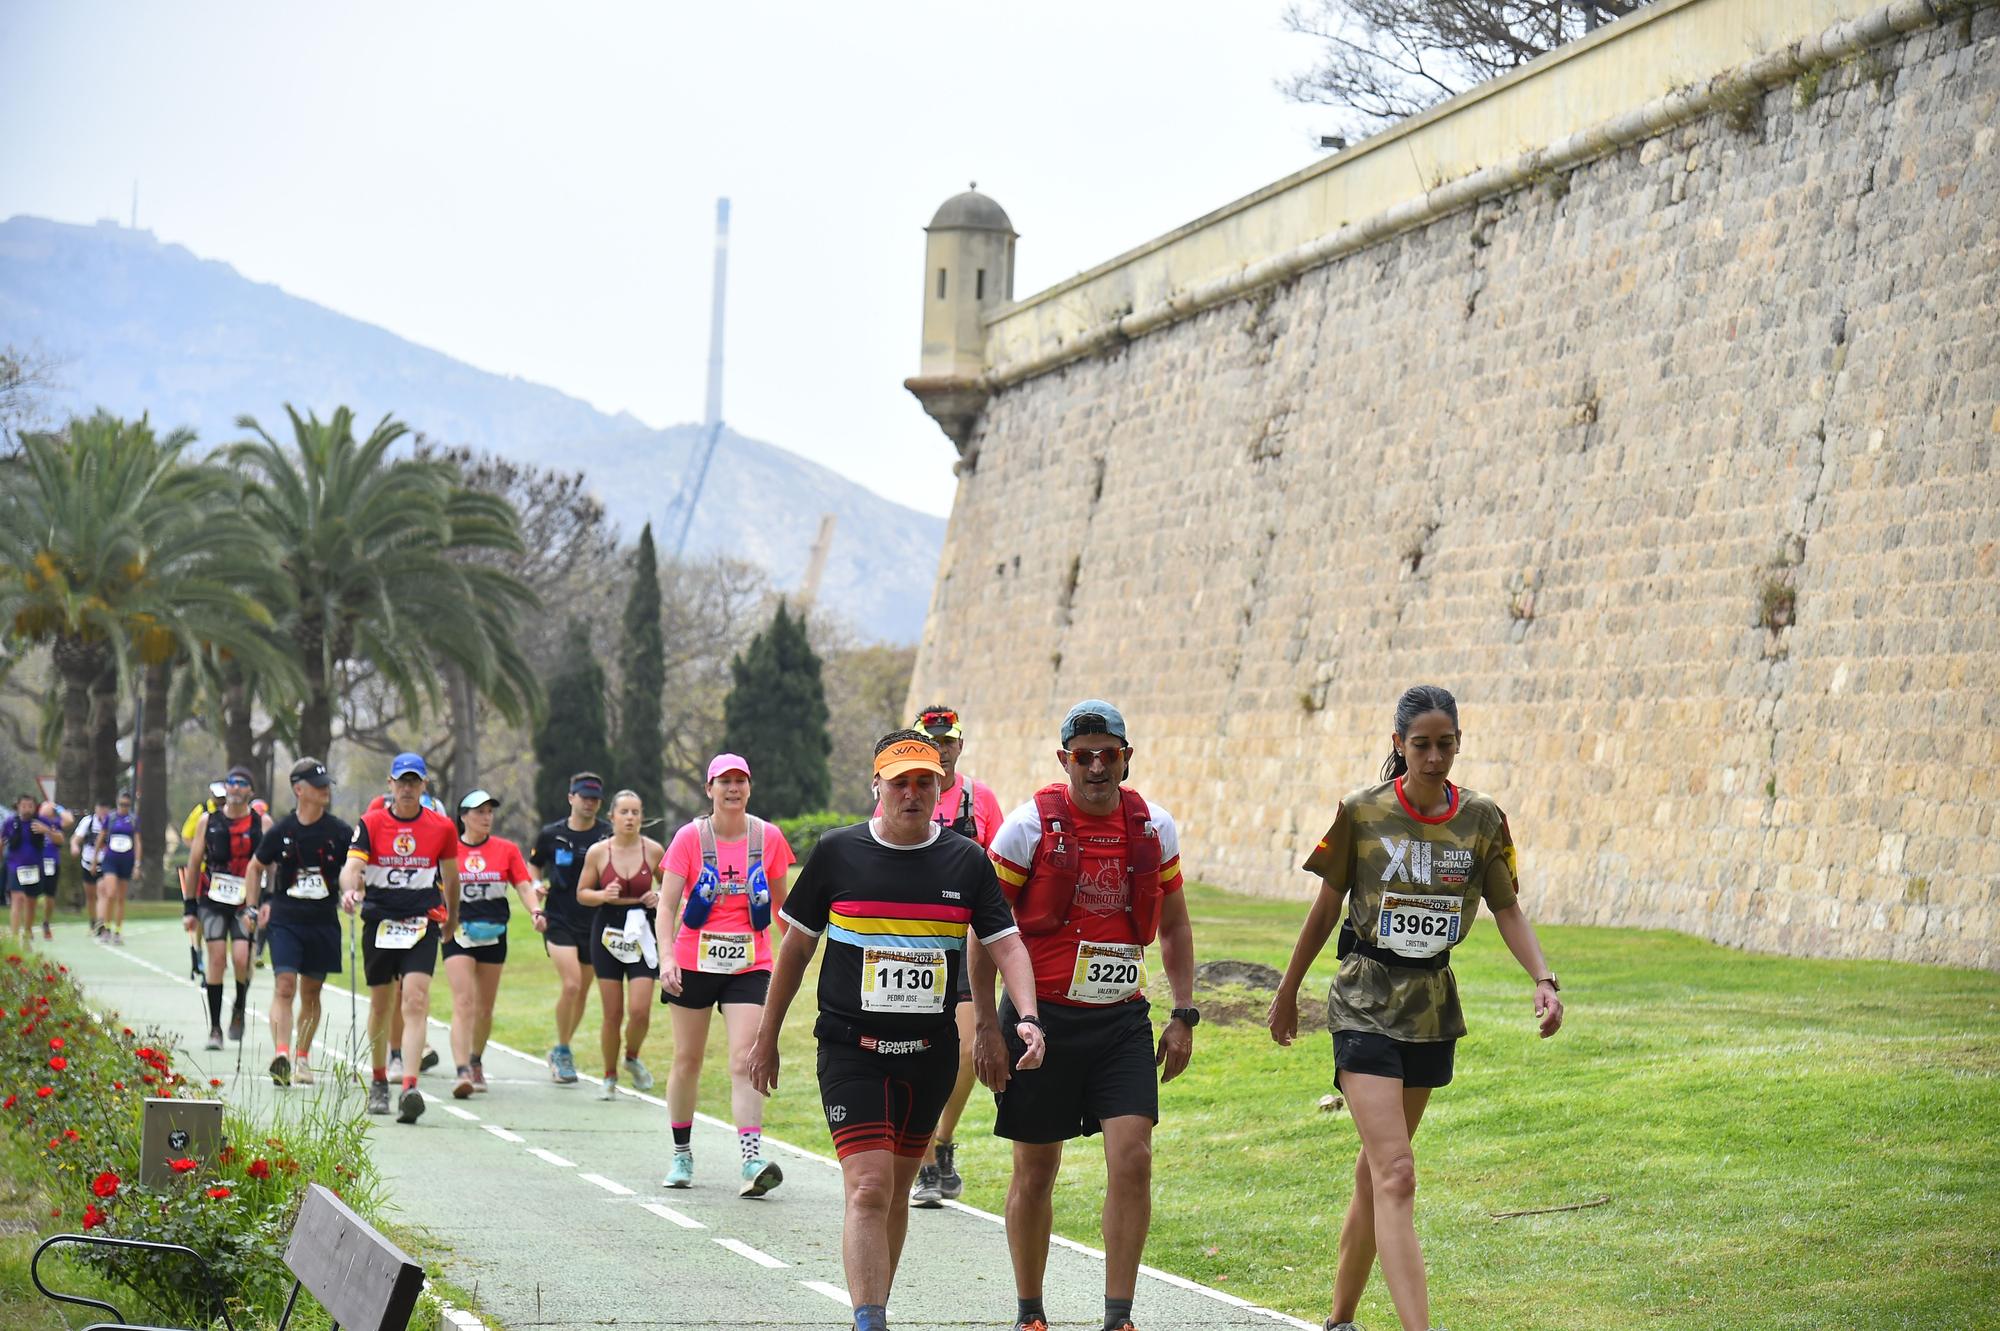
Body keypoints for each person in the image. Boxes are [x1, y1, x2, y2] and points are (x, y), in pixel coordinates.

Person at [1267, 685, 1564, 1331]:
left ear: (1459, 743)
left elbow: (1505, 906)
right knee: (1397, 1172)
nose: (1434, 757)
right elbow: (1324, 906)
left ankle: (1339, 1318)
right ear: (1398, 744)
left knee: (1376, 1172)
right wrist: (1288, 990)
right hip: (1365, 1000)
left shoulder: (1483, 818)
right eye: (1421, 745)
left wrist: (1543, 977)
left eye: (1446, 744)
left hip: (1431, 1009)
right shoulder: (1361, 811)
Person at [750, 731, 1047, 1331]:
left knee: (897, 1188)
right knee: (867, 1187)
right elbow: (795, 950)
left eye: (924, 782)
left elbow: (1006, 943)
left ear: (940, 789)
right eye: (900, 782)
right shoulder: (838, 854)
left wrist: (1029, 1016)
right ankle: (869, 1320)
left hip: (929, 1055)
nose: (912, 793)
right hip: (851, 1050)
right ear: (877, 787)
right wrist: (767, 1035)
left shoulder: (966, 862)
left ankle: (874, 1307)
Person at [975, 700, 1196, 1331]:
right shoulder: (1026, 828)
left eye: (1109, 754)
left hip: (1121, 1020)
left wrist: (1183, 1013)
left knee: (1133, 1157)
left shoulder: (1154, 826)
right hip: (1037, 1022)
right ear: (1064, 760)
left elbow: (1175, 926)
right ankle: (1030, 1312)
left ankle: (1118, 1315)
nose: (1097, 767)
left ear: (1127, 757)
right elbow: (984, 930)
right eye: (1084, 756)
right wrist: (988, 1028)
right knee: (1036, 1168)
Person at [655, 754, 796, 1195]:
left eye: (740, 781)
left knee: (744, 1057)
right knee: (688, 1059)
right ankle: (681, 1155)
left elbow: (780, 907)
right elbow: (666, 905)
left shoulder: (767, 837)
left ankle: (752, 1160)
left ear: (750, 787)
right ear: (709, 788)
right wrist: (666, 959)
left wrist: (797, 954)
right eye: (724, 782)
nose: (733, 789)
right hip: (693, 962)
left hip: (749, 964)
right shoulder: (689, 838)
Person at [893, 705, 1006, 1208]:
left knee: (963, 1050)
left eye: (947, 740)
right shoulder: (900, 795)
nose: (940, 747)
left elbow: (1003, 869)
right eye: (930, 740)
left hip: (966, 941)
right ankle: (922, 1164)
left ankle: (942, 1142)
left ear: (960, 744)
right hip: (912, 942)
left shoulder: (981, 800)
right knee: (914, 1049)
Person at [339, 752, 460, 1124]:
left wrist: (452, 918)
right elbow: (352, 868)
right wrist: (349, 890)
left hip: (422, 923)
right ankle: (379, 1080)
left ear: (424, 786)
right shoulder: (372, 823)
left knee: (416, 999)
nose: (408, 788)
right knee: (381, 1004)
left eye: (414, 782)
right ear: (390, 785)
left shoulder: (441, 827)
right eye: (401, 782)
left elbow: (452, 879)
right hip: (380, 922)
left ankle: (410, 1086)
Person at [247, 759, 350, 1088]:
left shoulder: (340, 832)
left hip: (322, 921)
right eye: (317, 785)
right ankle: (282, 1056)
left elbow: (357, 868)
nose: (325, 790)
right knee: (285, 986)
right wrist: (253, 908)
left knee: (311, 992)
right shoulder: (281, 831)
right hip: (286, 919)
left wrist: (353, 892)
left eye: (326, 784)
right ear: (298, 789)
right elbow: (255, 868)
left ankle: (302, 1057)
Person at [445, 789, 540, 1098]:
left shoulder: (506, 849)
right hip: (457, 933)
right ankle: (461, 1072)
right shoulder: (448, 850)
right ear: (463, 817)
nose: (486, 817)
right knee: (464, 1002)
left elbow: (524, 886)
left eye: (489, 812)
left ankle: (475, 1061)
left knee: (484, 1009)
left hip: (493, 933)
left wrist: (536, 910)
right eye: (478, 812)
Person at [574, 789, 663, 1100]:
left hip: (641, 931)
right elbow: (582, 893)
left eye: (635, 812)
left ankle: (632, 1057)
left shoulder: (653, 851)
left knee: (640, 1010)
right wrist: (602, 895)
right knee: (613, 1012)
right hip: (608, 930)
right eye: (624, 812)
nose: (630, 818)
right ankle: (609, 1075)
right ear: (611, 816)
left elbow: (674, 886)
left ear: (642, 817)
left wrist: (660, 896)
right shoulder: (599, 852)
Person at [529, 772, 609, 1084]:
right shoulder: (552, 835)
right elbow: (534, 864)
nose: (589, 803)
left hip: (594, 920)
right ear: (571, 798)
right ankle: (563, 1050)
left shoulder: (607, 835)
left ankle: (561, 1046)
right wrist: (536, 884)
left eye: (595, 798)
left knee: (583, 991)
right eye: (584, 796)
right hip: (559, 918)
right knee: (572, 984)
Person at [184, 767, 272, 1050]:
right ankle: (215, 1029)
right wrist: (190, 906)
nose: (235, 788)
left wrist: (266, 901)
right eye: (231, 783)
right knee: (217, 959)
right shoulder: (208, 821)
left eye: (242, 784)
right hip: (213, 900)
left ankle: (239, 1007)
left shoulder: (262, 823)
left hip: (247, 902)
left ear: (250, 791)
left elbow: (272, 866)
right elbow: (194, 862)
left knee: (243, 959)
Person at [5, 795, 63, 946]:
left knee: (31, 902)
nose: (26, 809)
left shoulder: (42, 821)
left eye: (30, 805)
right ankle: (14, 938)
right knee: (17, 900)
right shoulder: (10, 823)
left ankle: (27, 932)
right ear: (17, 806)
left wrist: (46, 831)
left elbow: (60, 840)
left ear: (34, 807)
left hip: (35, 867)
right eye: (23, 805)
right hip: (15, 866)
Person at [90, 793, 139, 946]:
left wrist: (137, 864)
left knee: (120, 897)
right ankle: (106, 928)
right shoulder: (110, 819)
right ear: (117, 804)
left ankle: (117, 930)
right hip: (111, 860)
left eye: (126, 805)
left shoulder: (133, 820)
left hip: (127, 861)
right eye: (121, 804)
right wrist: (94, 859)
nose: (123, 807)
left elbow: (138, 842)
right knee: (110, 893)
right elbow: (100, 838)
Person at [72, 799, 110, 938]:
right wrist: (74, 847)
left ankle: (101, 923)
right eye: (100, 807)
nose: (103, 811)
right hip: (87, 863)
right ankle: (93, 921)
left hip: (105, 864)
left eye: (106, 808)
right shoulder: (88, 822)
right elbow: (76, 839)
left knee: (102, 892)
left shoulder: (111, 823)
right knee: (90, 896)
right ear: (96, 808)